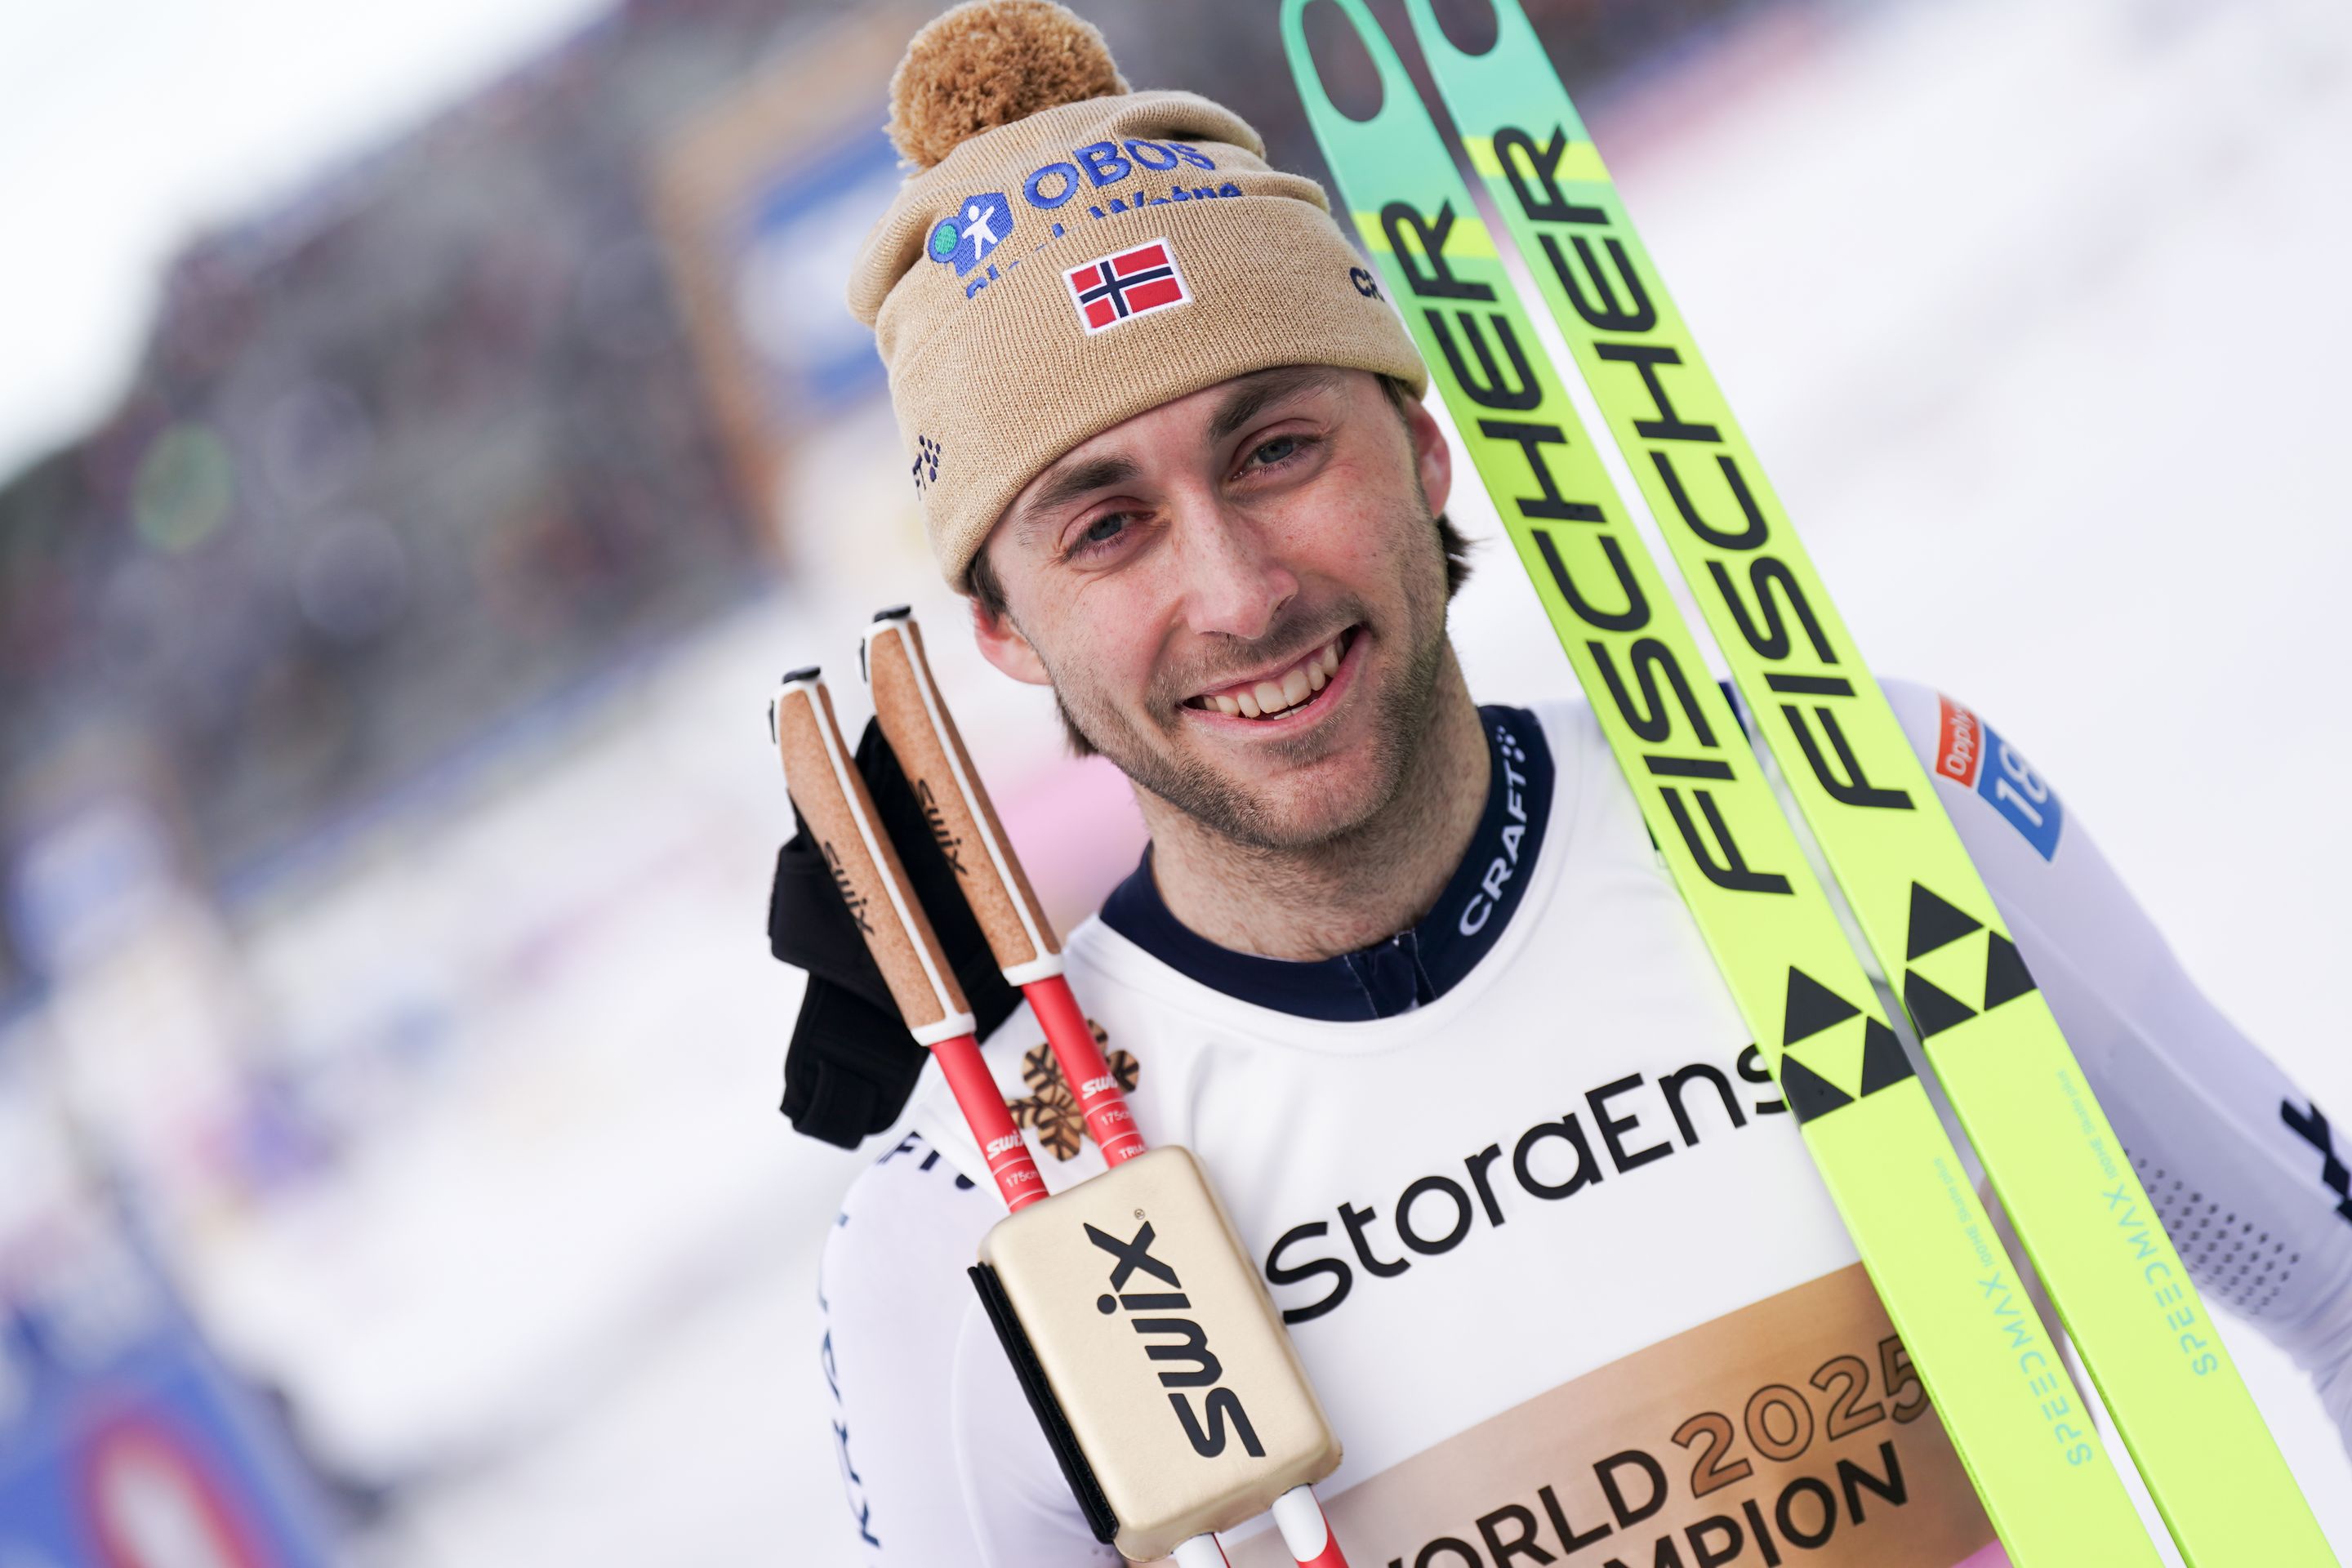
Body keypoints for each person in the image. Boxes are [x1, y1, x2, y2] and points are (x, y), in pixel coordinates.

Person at [788, 2, 2352, 1562]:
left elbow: (2334, 1284)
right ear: (1001, 627)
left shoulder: (1858, 813)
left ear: (1418, 445)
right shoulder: (971, 1220)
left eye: (1274, 448)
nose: (1239, 589)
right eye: (1103, 524)